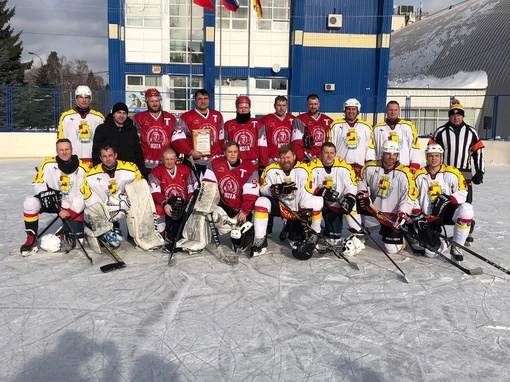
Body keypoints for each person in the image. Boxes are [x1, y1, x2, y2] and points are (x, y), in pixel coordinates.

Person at [252, 145, 323, 258]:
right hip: (281, 206)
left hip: (297, 209)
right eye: (283, 158)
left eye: (288, 157)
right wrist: (274, 190)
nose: (286, 160)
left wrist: (305, 211)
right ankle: (260, 239)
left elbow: (307, 192)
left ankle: (314, 235)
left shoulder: (303, 169)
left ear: (294, 156)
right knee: (261, 202)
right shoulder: (271, 169)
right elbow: (262, 188)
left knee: (317, 201)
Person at [20, 139, 89, 256]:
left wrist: (70, 211)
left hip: (71, 205)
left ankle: (71, 229)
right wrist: (48, 197)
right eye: (61, 150)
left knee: (78, 242)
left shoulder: (83, 167)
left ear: (72, 150)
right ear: (57, 151)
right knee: (30, 202)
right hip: (52, 203)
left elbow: (83, 193)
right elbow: (38, 182)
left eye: (67, 149)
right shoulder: (48, 164)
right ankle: (31, 237)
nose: (64, 152)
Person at [430, 99, 484, 244]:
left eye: (459, 115)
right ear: (449, 116)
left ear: (462, 116)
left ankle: (466, 230)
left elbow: (478, 152)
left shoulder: (471, 132)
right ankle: (437, 226)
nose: (456, 117)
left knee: (466, 202)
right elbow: (431, 151)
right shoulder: (441, 132)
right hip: (445, 172)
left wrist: (480, 171)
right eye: (453, 115)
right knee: (443, 200)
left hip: (464, 172)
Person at [412, 144, 474, 261]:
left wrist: (449, 199)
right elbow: (412, 196)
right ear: (426, 157)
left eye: (437, 156)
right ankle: (451, 240)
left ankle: (456, 246)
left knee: (466, 210)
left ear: (441, 157)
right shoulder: (418, 174)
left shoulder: (452, 172)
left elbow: (463, 192)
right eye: (431, 156)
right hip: (428, 216)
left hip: (447, 213)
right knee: (431, 253)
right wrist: (418, 214)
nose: (434, 158)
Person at [356, 140, 418, 254]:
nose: (391, 157)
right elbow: (361, 181)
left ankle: (408, 228)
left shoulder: (405, 173)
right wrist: (362, 192)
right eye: (388, 153)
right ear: (382, 154)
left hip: (393, 215)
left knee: (392, 250)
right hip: (377, 210)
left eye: (394, 154)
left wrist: (403, 212)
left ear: (397, 155)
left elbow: (409, 196)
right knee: (353, 200)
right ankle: (359, 230)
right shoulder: (370, 167)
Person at [81, 145, 143, 247]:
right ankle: (107, 228)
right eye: (104, 156)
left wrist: (128, 201)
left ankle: (135, 230)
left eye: (110, 155)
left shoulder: (131, 168)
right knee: (114, 242)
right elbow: (88, 197)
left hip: (124, 205)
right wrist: (99, 218)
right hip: (105, 210)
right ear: (100, 158)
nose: (108, 159)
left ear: (115, 155)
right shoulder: (90, 175)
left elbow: (140, 189)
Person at [305, 142, 361, 246]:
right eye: (326, 153)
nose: (329, 155)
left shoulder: (344, 166)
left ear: (335, 154)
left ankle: (357, 231)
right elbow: (306, 183)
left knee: (333, 241)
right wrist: (321, 191)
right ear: (321, 154)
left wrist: (349, 198)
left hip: (334, 205)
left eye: (331, 153)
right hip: (319, 203)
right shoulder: (312, 166)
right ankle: (314, 230)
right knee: (312, 202)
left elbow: (351, 185)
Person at [148, 148, 198, 252]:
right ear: (162, 159)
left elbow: (191, 189)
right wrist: (165, 204)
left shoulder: (185, 170)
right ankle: (161, 235)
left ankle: (186, 234)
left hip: (182, 204)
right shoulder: (156, 172)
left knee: (194, 209)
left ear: (176, 159)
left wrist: (188, 203)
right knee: (158, 209)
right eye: (167, 159)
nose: (169, 162)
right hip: (166, 204)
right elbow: (155, 192)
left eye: (172, 159)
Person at [203, 141, 259, 223]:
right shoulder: (215, 164)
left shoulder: (250, 168)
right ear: (224, 153)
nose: (233, 154)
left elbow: (251, 194)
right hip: (220, 205)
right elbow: (208, 186)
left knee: (241, 233)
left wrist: (244, 212)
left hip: (239, 209)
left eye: (235, 152)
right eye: (230, 152)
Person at [171, 89, 225, 175]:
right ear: (195, 101)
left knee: (212, 187)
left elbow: (221, 138)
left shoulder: (217, 116)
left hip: (213, 160)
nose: (203, 101)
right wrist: (190, 152)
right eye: (200, 99)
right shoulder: (186, 117)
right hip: (194, 160)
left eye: (205, 98)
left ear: (209, 100)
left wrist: (222, 154)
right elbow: (176, 139)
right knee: (193, 187)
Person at [92, 102, 147, 178]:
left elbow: (137, 151)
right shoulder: (102, 129)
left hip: (128, 170)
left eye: (124, 113)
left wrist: (142, 171)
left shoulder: (131, 129)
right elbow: (96, 151)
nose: (121, 115)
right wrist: (97, 170)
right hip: (109, 170)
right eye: (119, 112)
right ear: (113, 114)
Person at [329, 98, 375, 181]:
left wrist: (369, 164)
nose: (351, 111)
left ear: (358, 111)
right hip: (340, 166)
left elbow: (370, 147)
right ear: (344, 110)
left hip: (360, 167)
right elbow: (331, 146)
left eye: (353, 109)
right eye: (348, 109)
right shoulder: (335, 125)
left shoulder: (366, 126)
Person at [56, 85, 104, 164]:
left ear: (90, 99)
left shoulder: (99, 118)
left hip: (94, 161)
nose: (84, 100)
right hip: (73, 161)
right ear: (76, 98)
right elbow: (61, 140)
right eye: (81, 97)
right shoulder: (66, 117)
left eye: (87, 97)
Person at [133, 88, 177, 170]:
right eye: (152, 101)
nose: (155, 104)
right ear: (146, 101)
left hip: (165, 163)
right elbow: (135, 142)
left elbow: (176, 141)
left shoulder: (170, 118)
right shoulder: (139, 118)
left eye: (157, 101)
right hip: (145, 163)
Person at [373, 101, 421, 173]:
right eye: (390, 110)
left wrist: (414, 164)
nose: (393, 112)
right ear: (386, 110)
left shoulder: (408, 126)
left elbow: (414, 147)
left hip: (404, 168)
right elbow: (373, 149)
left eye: (395, 110)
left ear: (399, 111)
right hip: (383, 168)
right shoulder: (377, 128)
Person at [224, 96, 269, 169]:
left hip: (253, 164)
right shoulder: (228, 125)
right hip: (235, 164)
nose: (243, 110)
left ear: (249, 108)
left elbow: (262, 146)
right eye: (241, 107)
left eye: (246, 107)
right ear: (236, 108)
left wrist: (263, 164)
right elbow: (225, 147)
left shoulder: (258, 124)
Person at [291, 94, 333, 162]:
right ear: (307, 104)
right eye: (311, 104)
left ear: (319, 104)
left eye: (315, 104)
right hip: (308, 158)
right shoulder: (300, 119)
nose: (313, 106)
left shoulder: (328, 120)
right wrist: (301, 159)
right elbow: (296, 143)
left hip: (324, 158)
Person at [259, 95, 294, 165]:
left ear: (287, 106)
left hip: (288, 158)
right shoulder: (266, 120)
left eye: (284, 105)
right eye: (279, 105)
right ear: (274, 106)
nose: (281, 108)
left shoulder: (293, 120)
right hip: (272, 159)